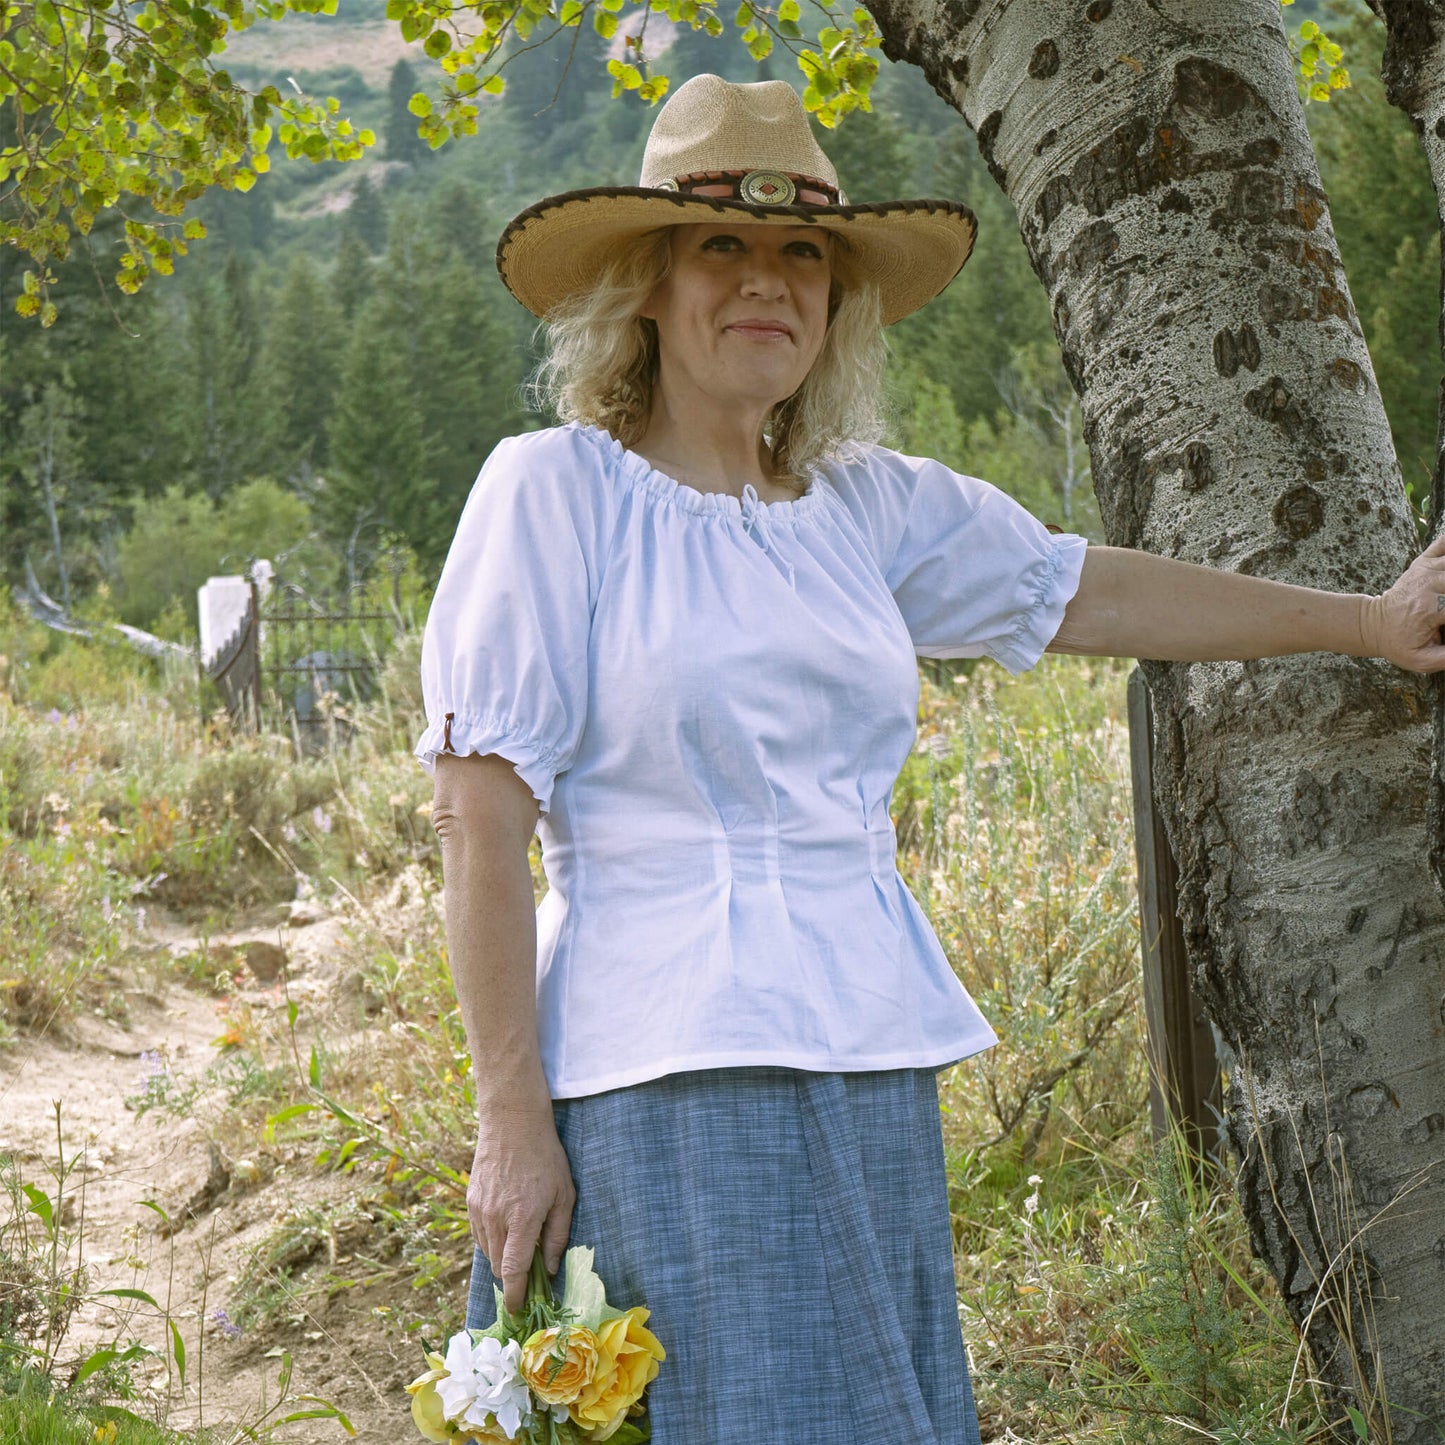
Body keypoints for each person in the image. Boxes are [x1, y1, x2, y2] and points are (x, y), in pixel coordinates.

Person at [415, 74, 1445, 1444]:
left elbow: (1095, 595)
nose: (765, 282)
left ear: (837, 301)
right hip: (660, 1066)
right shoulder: (553, 492)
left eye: (801, 255)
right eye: (719, 244)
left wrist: (1369, 624)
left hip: (865, 1048)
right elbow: (479, 824)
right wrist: (509, 1118)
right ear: (648, 285)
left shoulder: (864, 507)